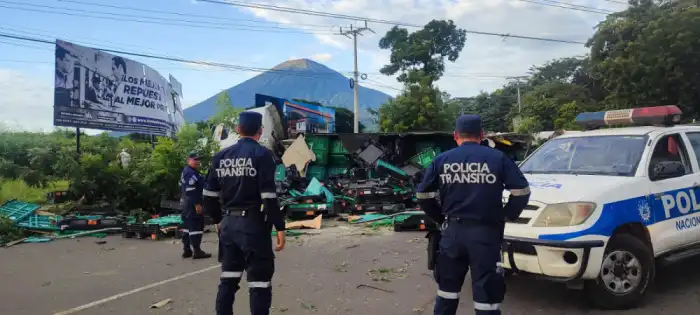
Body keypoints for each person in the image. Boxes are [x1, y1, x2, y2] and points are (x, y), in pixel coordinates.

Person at [415, 114, 531, 315]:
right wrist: (506, 216)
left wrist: (441, 218)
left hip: (452, 233)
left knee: (447, 292)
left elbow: (423, 195)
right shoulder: (498, 158)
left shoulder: (441, 160)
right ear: (482, 135)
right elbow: (521, 192)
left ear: (455, 135)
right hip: (486, 233)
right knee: (486, 295)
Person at [202, 111, 286, 315]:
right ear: (261, 131)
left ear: (238, 130)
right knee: (259, 284)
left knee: (228, 280)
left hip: (229, 225)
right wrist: (280, 227)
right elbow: (268, 196)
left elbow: (208, 195)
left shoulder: (220, 156)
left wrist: (217, 220)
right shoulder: (263, 155)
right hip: (253, 226)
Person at [179, 151, 212, 260]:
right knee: (196, 227)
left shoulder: (188, 171)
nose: (198, 162)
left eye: (198, 160)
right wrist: (197, 204)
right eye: (195, 160)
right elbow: (191, 190)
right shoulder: (190, 172)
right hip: (192, 204)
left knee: (188, 227)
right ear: (189, 160)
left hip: (187, 203)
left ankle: (187, 250)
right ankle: (197, 251)